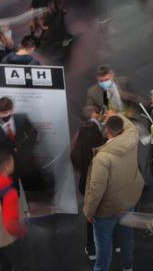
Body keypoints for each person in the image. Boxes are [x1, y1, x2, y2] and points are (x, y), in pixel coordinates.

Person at [84, 115, 145, 271]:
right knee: (127, 237)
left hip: (108, 210)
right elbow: (130, 124)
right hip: (129, 200)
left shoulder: (102, 158)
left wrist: (89, 212)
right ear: (122, 129)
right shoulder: (132, 136)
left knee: (103, 243)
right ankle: (128, 266)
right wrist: (116, 114)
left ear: (106, 131)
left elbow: (96, 190)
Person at [70, 105, 106, 261]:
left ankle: (92, 249)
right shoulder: (99, 142)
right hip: (100, 185)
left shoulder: (79, 142)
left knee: (90, 217)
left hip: (85, 185)